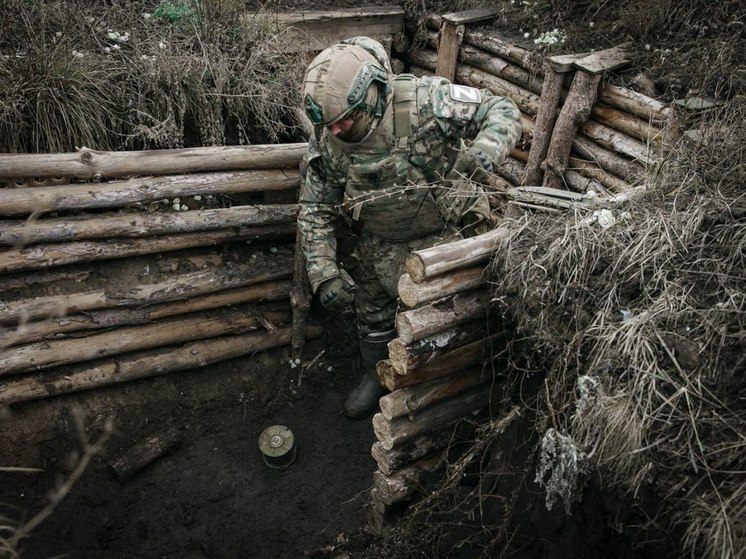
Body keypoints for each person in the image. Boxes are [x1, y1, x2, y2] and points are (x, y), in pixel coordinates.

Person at [298, 36, 522, 419]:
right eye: (330, 126)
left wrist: (481, 153)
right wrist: (323, 273)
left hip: (448, 237)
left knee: (452, 320)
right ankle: (376, 376)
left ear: (370, 94)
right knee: (372, 315)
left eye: (344, 121)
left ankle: (446, 392)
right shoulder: (331, 141)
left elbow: (501, 109)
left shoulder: (427, 101)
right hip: (381, 239)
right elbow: (316, 206)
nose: (336, 132)